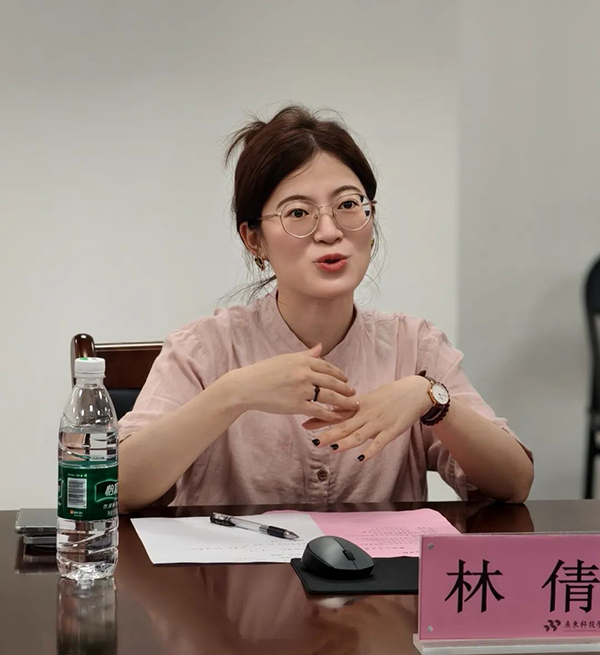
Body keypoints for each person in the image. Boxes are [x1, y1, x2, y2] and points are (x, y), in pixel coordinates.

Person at [118, 105, 533, 513]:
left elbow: (514, 484)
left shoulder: (414, 346)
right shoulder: (203, 349)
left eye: (348, 205)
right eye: (298, 213)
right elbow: (116, 489)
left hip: (378, 563)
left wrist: (431, 399)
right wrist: (233, 394)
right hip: (235, 562)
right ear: (254, 240)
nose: (330, 231)